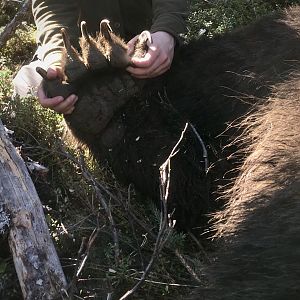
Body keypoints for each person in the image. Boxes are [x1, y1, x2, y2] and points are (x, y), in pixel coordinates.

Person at [13, 0, 187, 114]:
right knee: (27, 85)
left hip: (146, 45)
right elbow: (50, 6)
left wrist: (166, 31)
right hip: (83, 61)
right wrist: (57, 58)